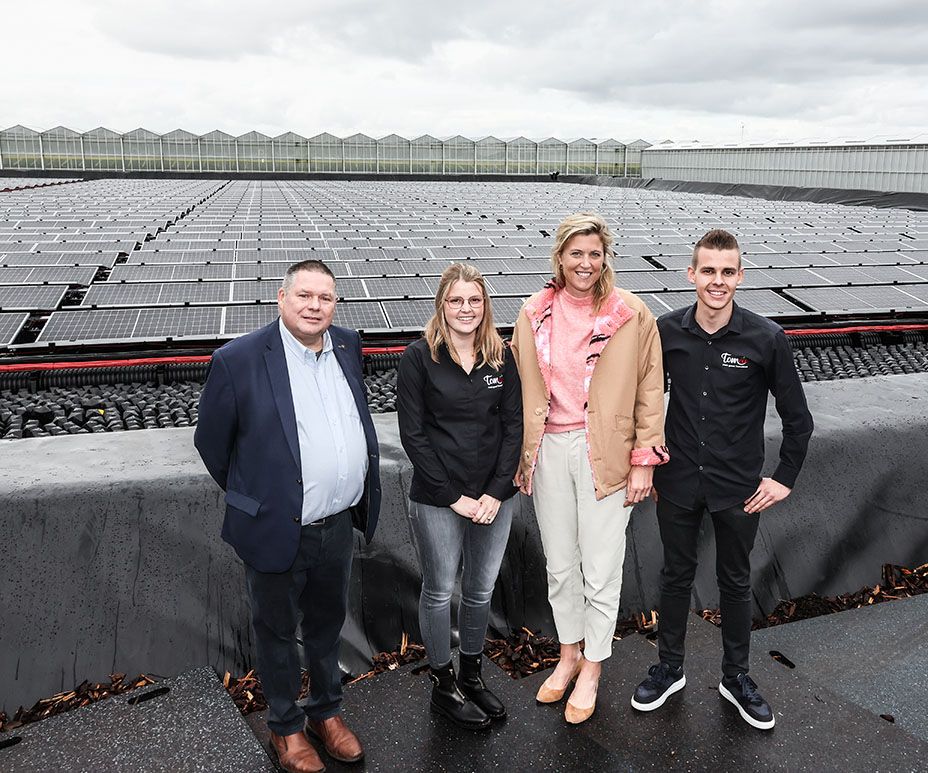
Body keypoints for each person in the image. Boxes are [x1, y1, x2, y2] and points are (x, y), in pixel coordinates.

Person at [194, 259, 381, 773]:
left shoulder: (346, 345)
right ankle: (286, 728)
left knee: (326, 627)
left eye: (325, 297)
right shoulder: (240, 359)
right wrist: (257, 497)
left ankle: (326, 713)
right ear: (281, 298)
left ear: (335, 304)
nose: (314, 306)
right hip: (277, 527)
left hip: (337, 524)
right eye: (304, 295)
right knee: (276, 633)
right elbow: (212, 442)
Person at [630, 229, 813, 730]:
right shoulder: (665, 332)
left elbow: (799, 419)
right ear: (691, 274)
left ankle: (736, 678)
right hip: (679, 481)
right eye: (708, 271)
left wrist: (784, 478)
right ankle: (669, 669)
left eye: (727, 271)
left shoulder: (766, 339)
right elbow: (638, 398)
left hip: (738, 488)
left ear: (740, 276)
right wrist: (642, 454)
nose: (717, 281)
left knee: (735, 581)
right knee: (675, 575)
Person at [512, 212, 668, 725]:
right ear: (559, 257)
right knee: (560, 565)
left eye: (594, 254)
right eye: (575, 253)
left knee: (601, 568)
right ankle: (569, 653)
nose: (585, 263)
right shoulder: (533, 312)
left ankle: (594, 667)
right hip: (550, 451)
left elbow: (650, 388)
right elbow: (519, 390)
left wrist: (644, 460)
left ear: (606, 259)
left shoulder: (631, 314)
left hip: (606, 451)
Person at [396, 263, 523, 730]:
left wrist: (494, 493)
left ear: (485, 305)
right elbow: (413, 435)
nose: (466, 309)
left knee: (480, 589)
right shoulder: (418, 358)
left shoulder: (501, 357)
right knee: (438, 590)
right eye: (456, 300)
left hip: (495, 498)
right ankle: (443, 684)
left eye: (475, 300)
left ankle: (471, 674)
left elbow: (514, 428)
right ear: (441, 305)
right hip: (438, 499)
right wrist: (454, 498)